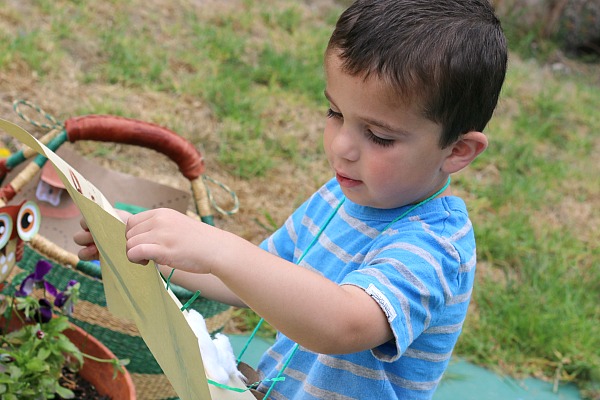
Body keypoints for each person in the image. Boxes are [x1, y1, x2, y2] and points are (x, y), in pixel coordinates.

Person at [75, 0, 507, 398]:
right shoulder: (338, 195)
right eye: (335, 113)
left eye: (379, 136)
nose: (342, 147)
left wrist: (217, 247)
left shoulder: (436, 246)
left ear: (457, 151)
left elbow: (343, 322)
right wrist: (149, 246)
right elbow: (254, 282)